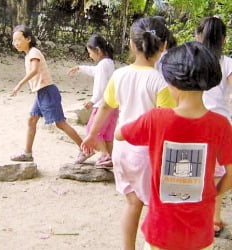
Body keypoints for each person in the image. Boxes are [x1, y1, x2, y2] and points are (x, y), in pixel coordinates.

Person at [115, 41, 232, 250]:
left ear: (172, 82)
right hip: (200, 231)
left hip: (161, 230)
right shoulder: (221, 125)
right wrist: (212, 193)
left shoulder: (156, 119)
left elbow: (120, 134)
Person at [81, 17, 175, 250]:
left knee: (133, 203)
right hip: (147, 154)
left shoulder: (119, 75)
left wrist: (92, 134)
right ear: (163, 46)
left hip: (122, 150)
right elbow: (168, 122)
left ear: (132, 45)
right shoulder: (161, 82)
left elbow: (105, 106)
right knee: (156, 205)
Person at [10, 24, 83, 162]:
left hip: (47, 92)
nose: (16, 43)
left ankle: (84, 149)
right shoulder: (29, 55)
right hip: (41, 93)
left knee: (60, 123)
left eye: (19, 39)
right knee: (32, 120)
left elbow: (35, 71)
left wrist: (19, 84)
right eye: (14, 41)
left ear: (28, 39)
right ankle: (27, 153)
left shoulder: (34, 53)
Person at [196, 16, 232, 237]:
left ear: (198, 36)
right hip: (221, 124)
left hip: (194, 122)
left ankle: (196, 214)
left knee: (195, 172)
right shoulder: (228, 62)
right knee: (218, 174)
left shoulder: (192, 59)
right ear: (224, 39)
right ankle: (214, 218)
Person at [67, 33, 118, 167]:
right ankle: (110, 157)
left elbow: (101, 87)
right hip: (113, 106)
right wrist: (80, 68)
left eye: (90, 53)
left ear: (98, 51)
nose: (90, 56)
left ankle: (104, 155)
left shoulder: (102, 65)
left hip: (102, 105)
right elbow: (94, 71)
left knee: (93, 130)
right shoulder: (109, 63)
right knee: (107, 134)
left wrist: (92, 101)